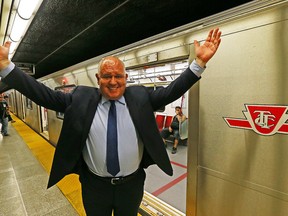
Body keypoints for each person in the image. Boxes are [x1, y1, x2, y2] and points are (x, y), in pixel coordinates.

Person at [0, 28, 221, 216]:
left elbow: (172, 91)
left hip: (132, 186)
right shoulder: (80, 98)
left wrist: (198, 63)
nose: (113, 82)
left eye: (118, 76)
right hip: (95, 186)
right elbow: (42, 94)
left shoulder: (141, 98)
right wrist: (7, 67)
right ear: (98, 80)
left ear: (126, 78)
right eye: (107, 76)